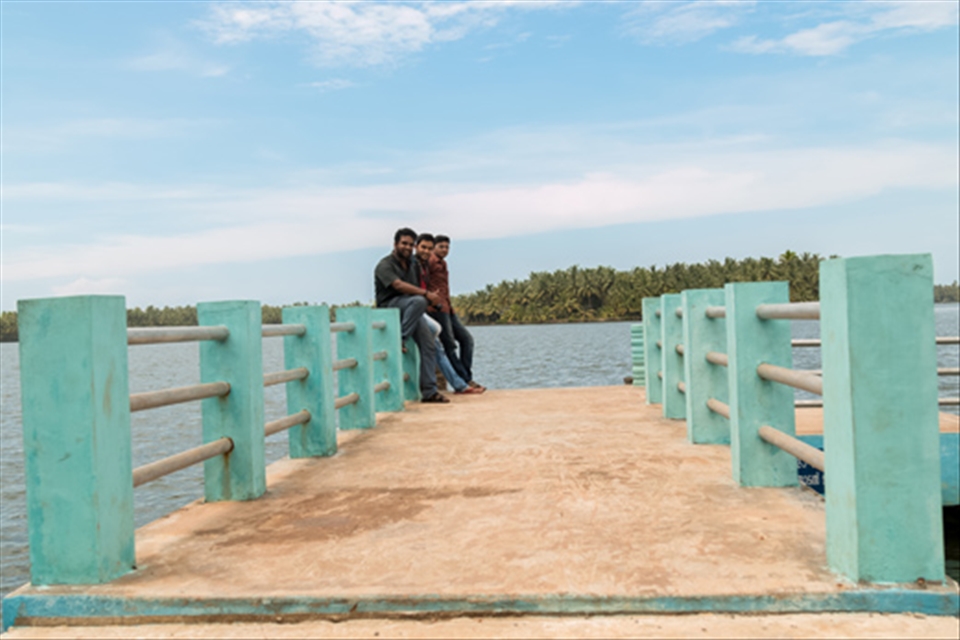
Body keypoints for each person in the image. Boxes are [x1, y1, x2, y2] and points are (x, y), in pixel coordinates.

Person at [374, 228, 448, 403]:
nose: (407, 247)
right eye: (403, 243)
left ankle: (429, 392)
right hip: (390, 307)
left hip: (411, 309)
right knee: (420, 301)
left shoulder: (413, 265)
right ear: (395, 244)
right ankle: (401, 338)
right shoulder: (385, 265)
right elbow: (398, 286)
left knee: (428, 344)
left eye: (410, 244)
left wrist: (433, 300)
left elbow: (415, 293)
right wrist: (426, 295)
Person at [415, 234, 482, 395]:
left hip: (447, 309)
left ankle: (465, 377)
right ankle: (464, 381)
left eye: (447, 247)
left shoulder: (442, 263)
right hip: (436, 310)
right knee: (450, 346)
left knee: (467, 340)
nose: (445, 250)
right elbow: (422, 284)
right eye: (441, 247)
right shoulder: (429, 262)